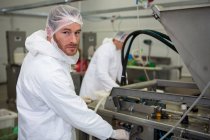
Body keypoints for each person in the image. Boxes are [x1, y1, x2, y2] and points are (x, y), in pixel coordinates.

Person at [16, 5, 129, 140]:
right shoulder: (48, 69)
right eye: (66, 32)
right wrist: (112, 133)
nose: (74, 40)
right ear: (49, 31)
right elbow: (78, 115)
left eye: (77, 32)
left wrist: (68, 97)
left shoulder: (43, 53)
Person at [80, 31, 127, 100]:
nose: (124, 45)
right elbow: (102, 73)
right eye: (123, 43)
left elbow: (121, 70)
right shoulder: (105, 49)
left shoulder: (118, 51)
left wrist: (126, 84)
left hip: (103, 91)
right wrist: (117, 89)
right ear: (116, 40)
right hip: (92, 89)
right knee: (90, 107)